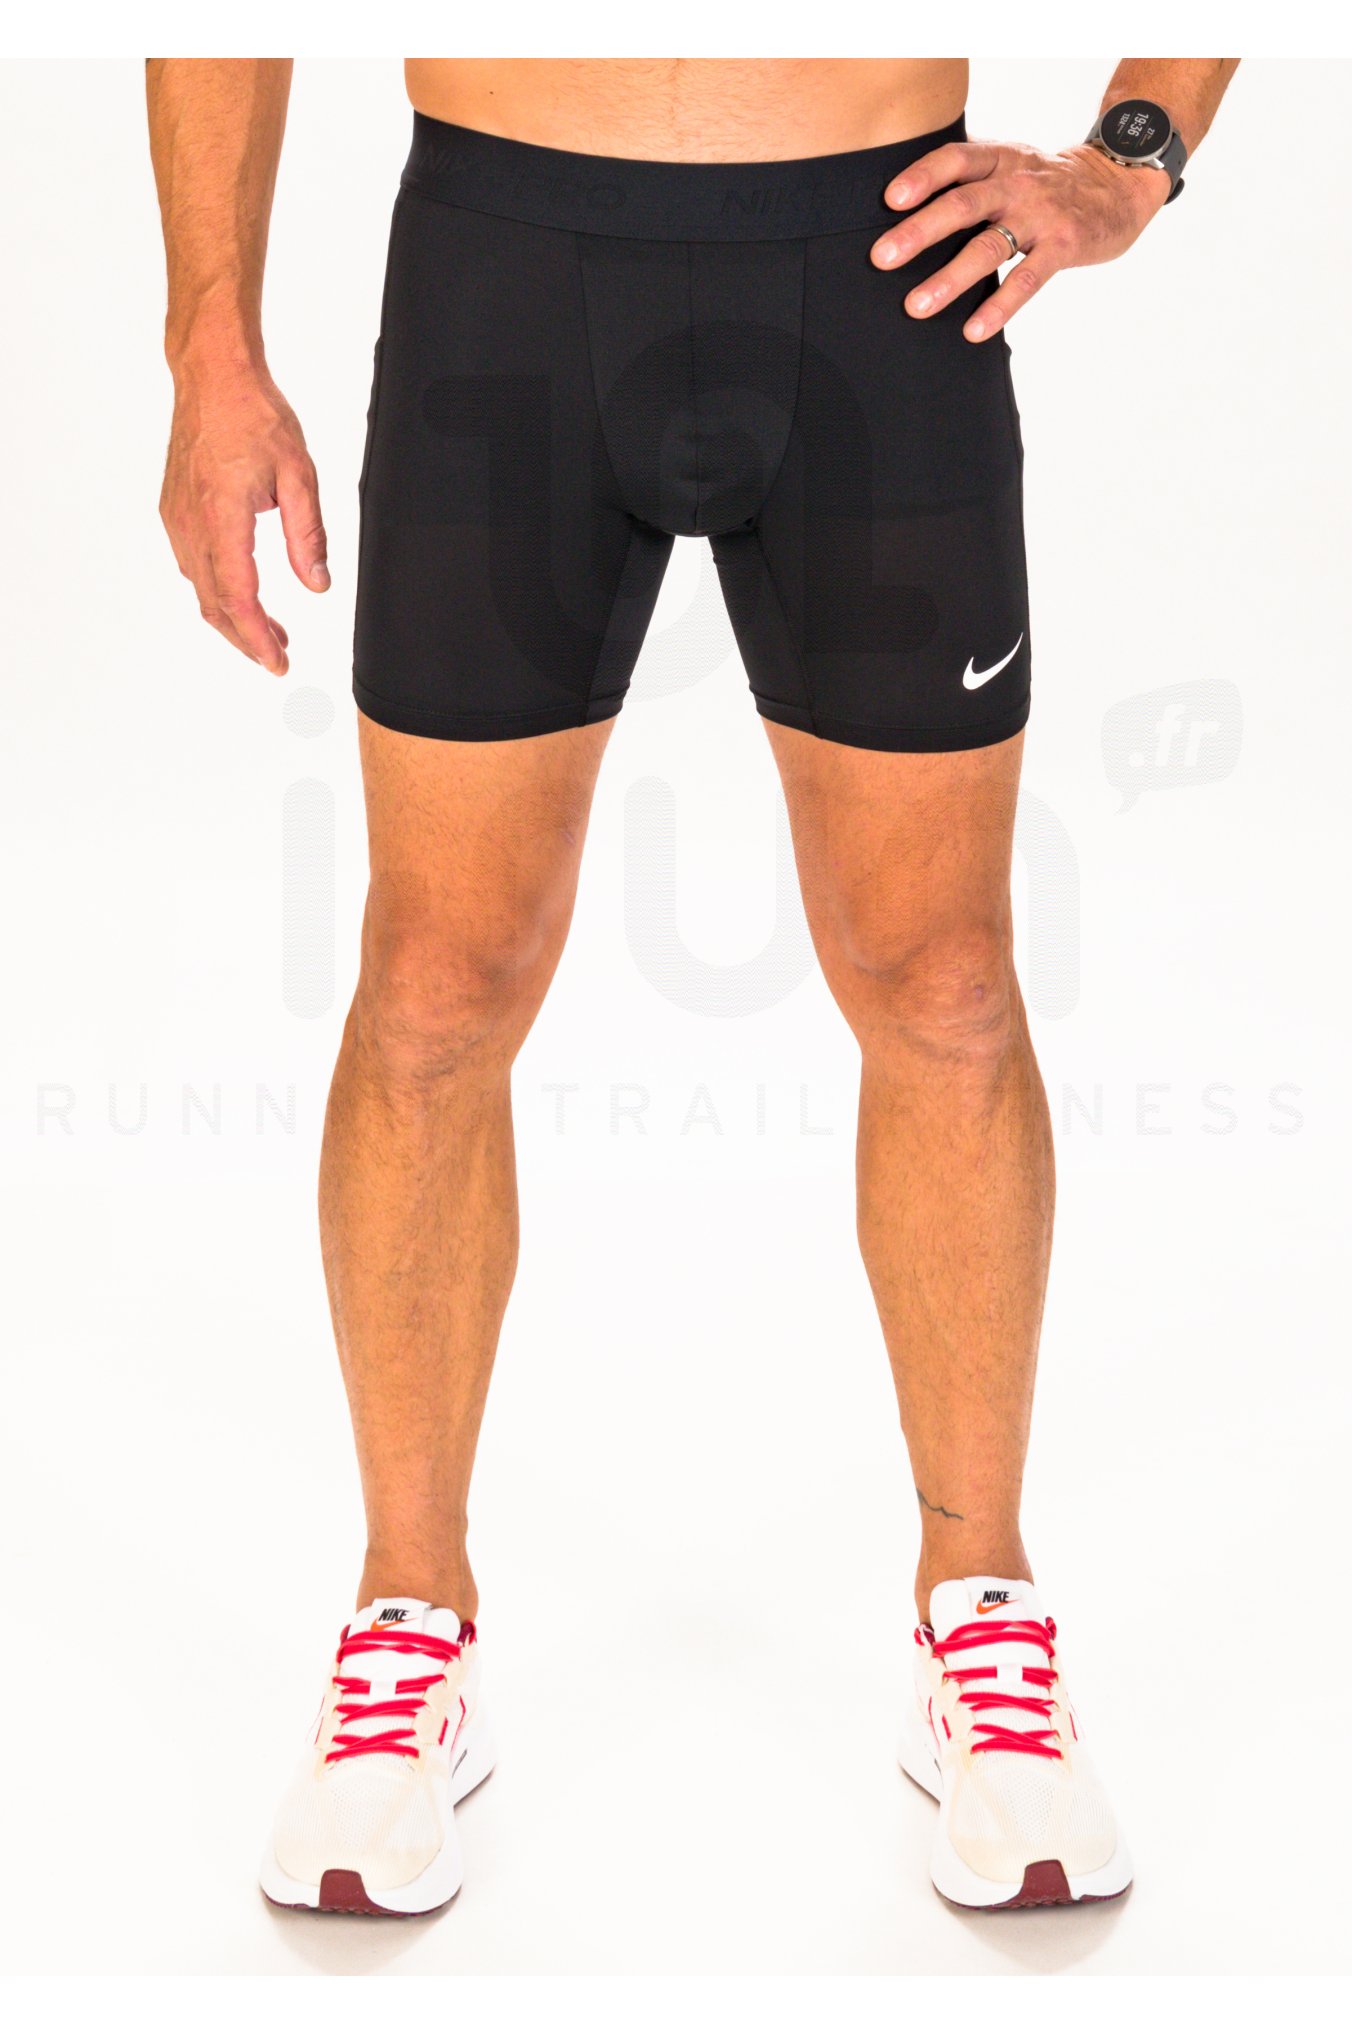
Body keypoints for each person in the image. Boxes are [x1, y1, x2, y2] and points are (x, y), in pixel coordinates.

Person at [147, 57, 1237, 1917]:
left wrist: (1133, 157)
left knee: (947, 982)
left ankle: (979, 1616)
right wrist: (210, 343)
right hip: (506, 261)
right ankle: (409, 1624)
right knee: (435, 984)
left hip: (881, 267)